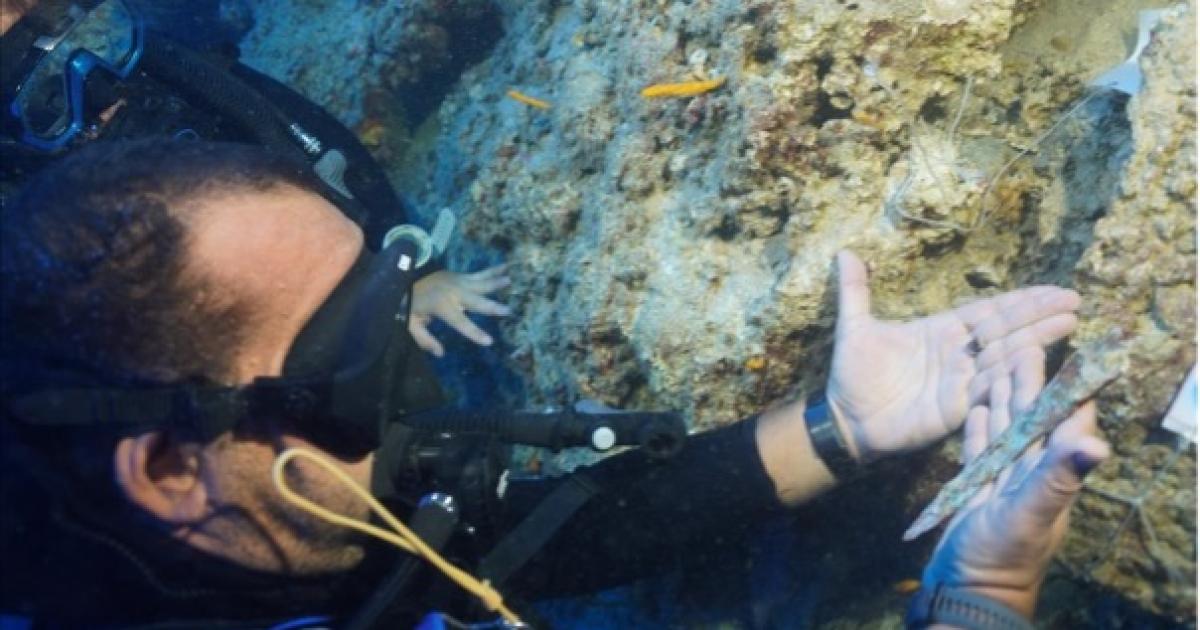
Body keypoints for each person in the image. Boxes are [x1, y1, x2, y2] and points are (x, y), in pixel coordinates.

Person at [0, 137, 1101, 629]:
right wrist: (984, 601)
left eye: (396, 297)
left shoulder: (265, 513)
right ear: (167, 466)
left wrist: (839, 428)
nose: (416, 368)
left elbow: (534, 543)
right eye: (350, 354)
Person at [0, 0, 509, 361]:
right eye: (44, 95)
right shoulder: (29, 236)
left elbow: (303, 136)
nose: (101, 89)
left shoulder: (165, 68)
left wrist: (410, 269)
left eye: (96, 37)